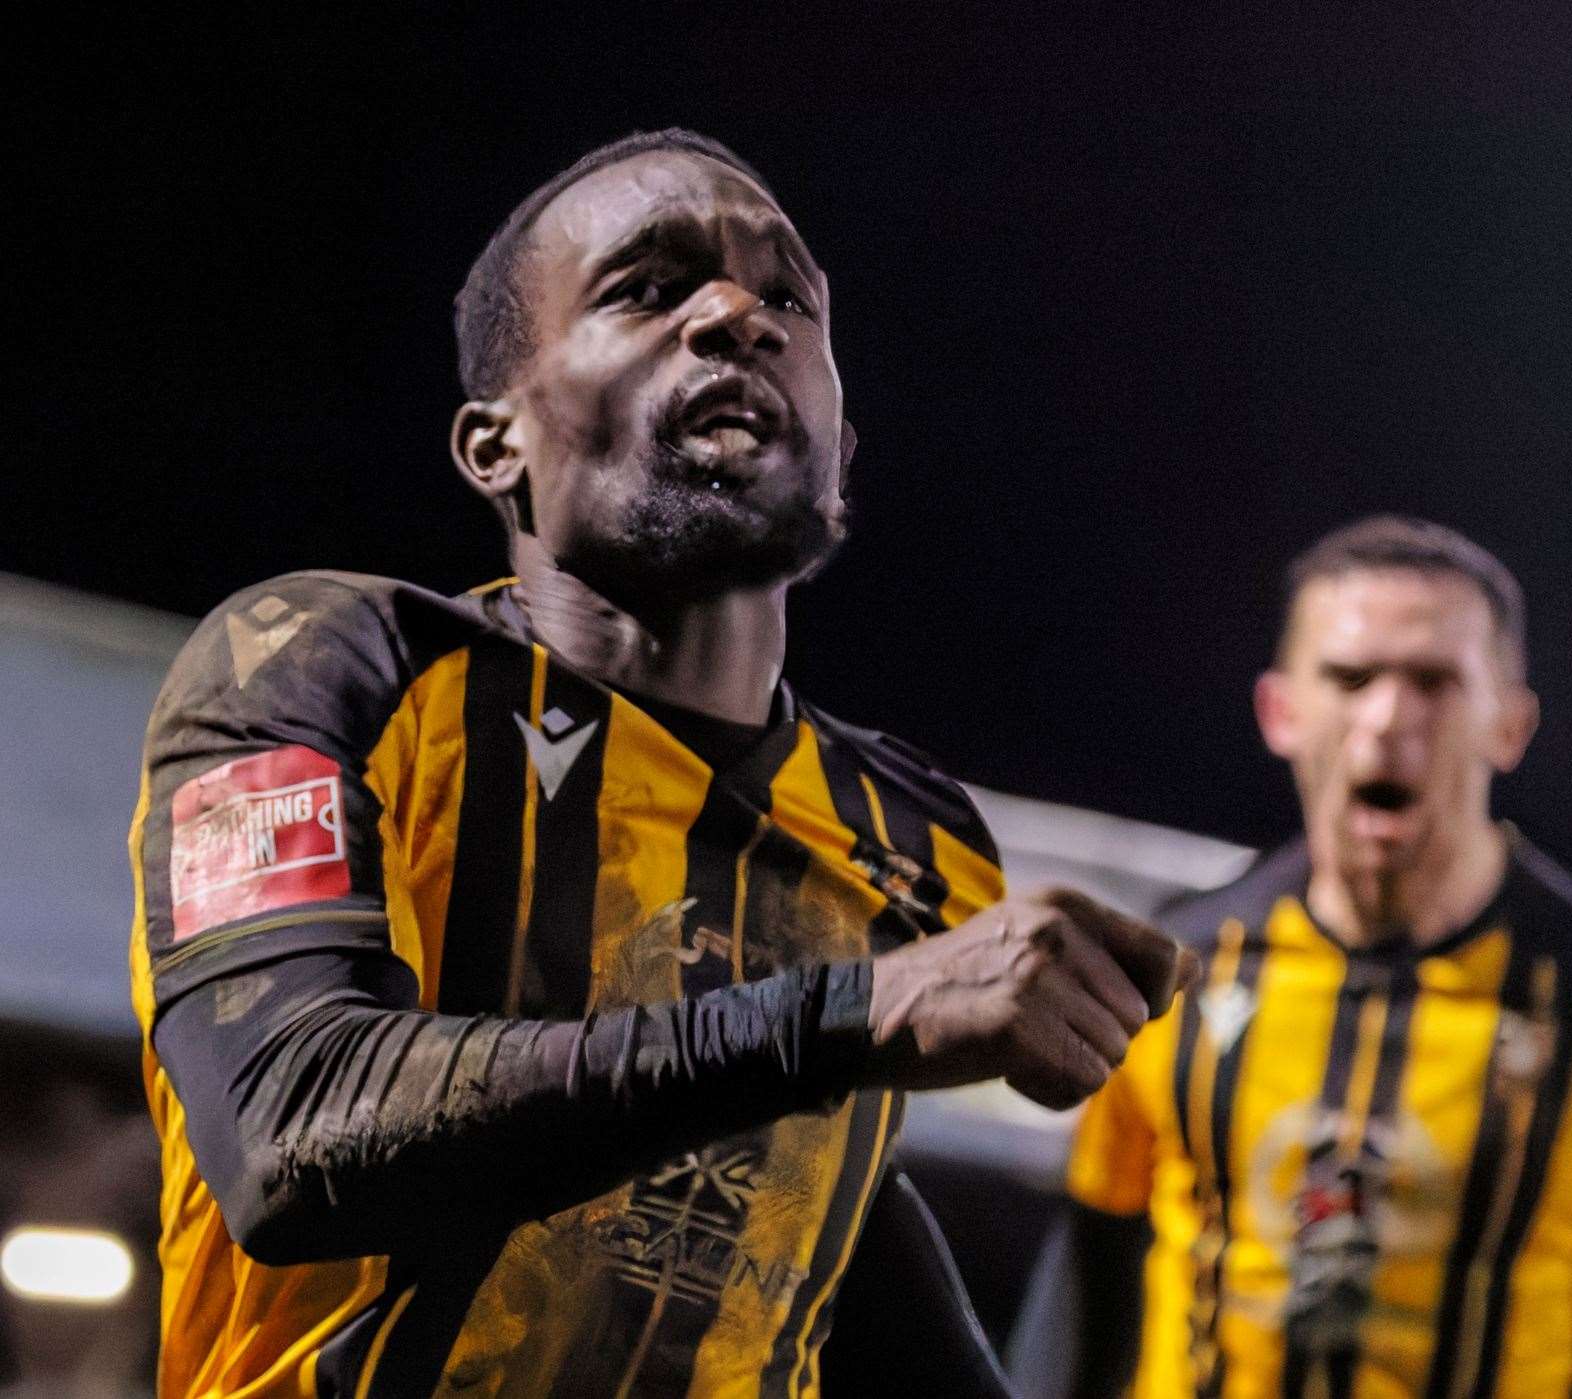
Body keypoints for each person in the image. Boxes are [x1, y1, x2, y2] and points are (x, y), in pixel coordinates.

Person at [127, 129, 1190, 1398]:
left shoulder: (919, 837)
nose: (737, 314)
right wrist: (861, 1011)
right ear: (495, 446)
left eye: (786, 298)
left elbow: (817, 1236)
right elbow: (288, 1133)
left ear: (843, 450)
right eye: (646, 286)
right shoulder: (323, 660)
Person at [1052, 516, 1572, 1397]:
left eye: (1434, 680)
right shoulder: (1172, 972)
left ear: (1510, 725)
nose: (1387, 718)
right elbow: (1086, 1284)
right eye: (1350, 676)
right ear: (1280, 712)